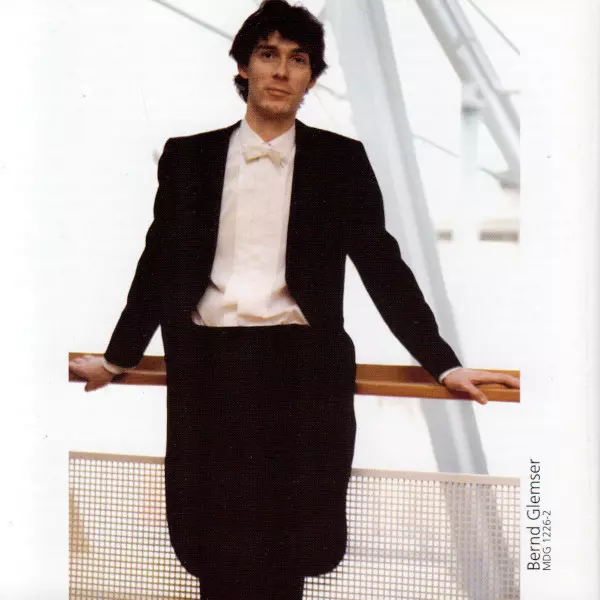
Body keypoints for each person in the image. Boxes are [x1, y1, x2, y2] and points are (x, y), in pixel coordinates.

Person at [69, 1, 520, 598]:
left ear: (311, 77)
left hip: (301, 372)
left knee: (289, 551)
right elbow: (157, 265)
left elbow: (382, 266)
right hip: (209, 369)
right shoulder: (189, 157)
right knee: (212, 549)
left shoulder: (340, 160)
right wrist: (117, 359)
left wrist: (443, 363)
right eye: (268, 54)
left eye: (298, 59)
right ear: (244, 67)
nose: (282, 70)